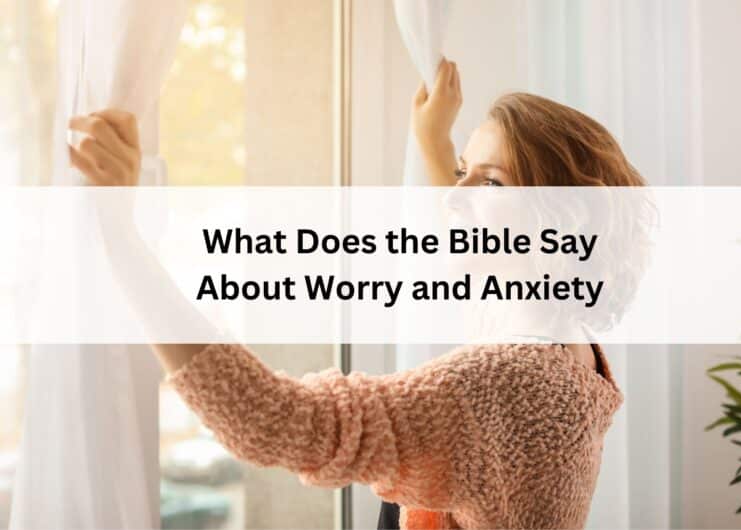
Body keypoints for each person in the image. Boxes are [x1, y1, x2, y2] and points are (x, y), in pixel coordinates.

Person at [69, 59, 642, 529]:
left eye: (490, 181)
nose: (454, 196)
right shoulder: (565, 337)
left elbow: (270, 418)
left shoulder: (503, 384)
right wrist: (435, 144)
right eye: (462, 172)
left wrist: (122, 237)